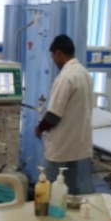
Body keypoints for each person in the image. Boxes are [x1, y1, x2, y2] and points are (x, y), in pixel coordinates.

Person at [35, 34, 94, 195]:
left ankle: (47, 210)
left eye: (53, 56)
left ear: (59, 53)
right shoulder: (84, 73)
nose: (53, 60)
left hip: (62, 143)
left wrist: (39, 128)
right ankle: (74, 208)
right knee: (71, 183)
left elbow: (53, 115)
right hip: (76, 141)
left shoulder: (65, 78)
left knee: (49, 183)